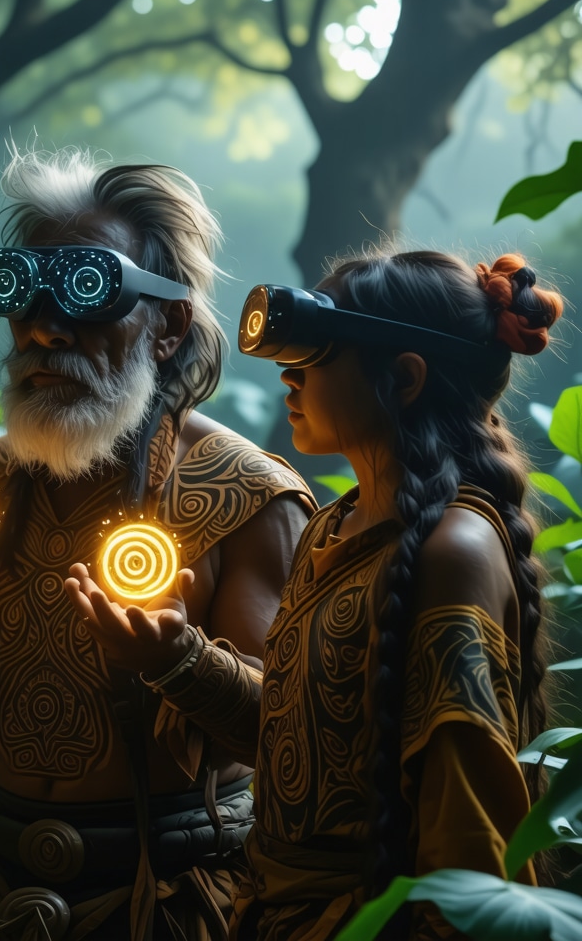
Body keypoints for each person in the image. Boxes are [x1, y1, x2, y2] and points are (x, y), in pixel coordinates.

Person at [68, 249, 562, 940]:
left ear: (405, 377)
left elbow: (468, 847)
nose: (286, 373)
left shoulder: (455, 553)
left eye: (316, 351)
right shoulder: (337, 527)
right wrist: (174, 658)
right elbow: (298, 748)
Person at [0, 147, 315, 941]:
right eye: (21, 290)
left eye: (89, 289)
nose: (40, 324)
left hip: (174, 907)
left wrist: (178, 662)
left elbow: (298, 743)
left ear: (168, 325)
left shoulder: (247, 497)